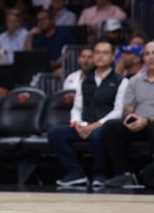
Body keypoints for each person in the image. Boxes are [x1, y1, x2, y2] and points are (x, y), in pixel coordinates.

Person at [47, 40, 127, 188]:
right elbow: (77, 107)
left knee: (97, 135)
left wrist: (96, 125)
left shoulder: (120, 81)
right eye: (97, 53)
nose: (100, 56)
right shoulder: (85, 81)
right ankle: (75, 173)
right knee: (55, 133)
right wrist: (77, 123)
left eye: (105, 53)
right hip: (85, 125)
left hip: (105, 126)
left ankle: (100, 174)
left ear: (112, 57)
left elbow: (118, 111)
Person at [102, 41, 154, 188]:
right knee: (111, 126)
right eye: (147, 53)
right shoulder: (134, 81)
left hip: (151, 125)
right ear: (143, 58)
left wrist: (146, 120)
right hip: (138, 125)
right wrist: (132, 119)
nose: (151, 57)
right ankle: (124, 174)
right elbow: (128, 110)